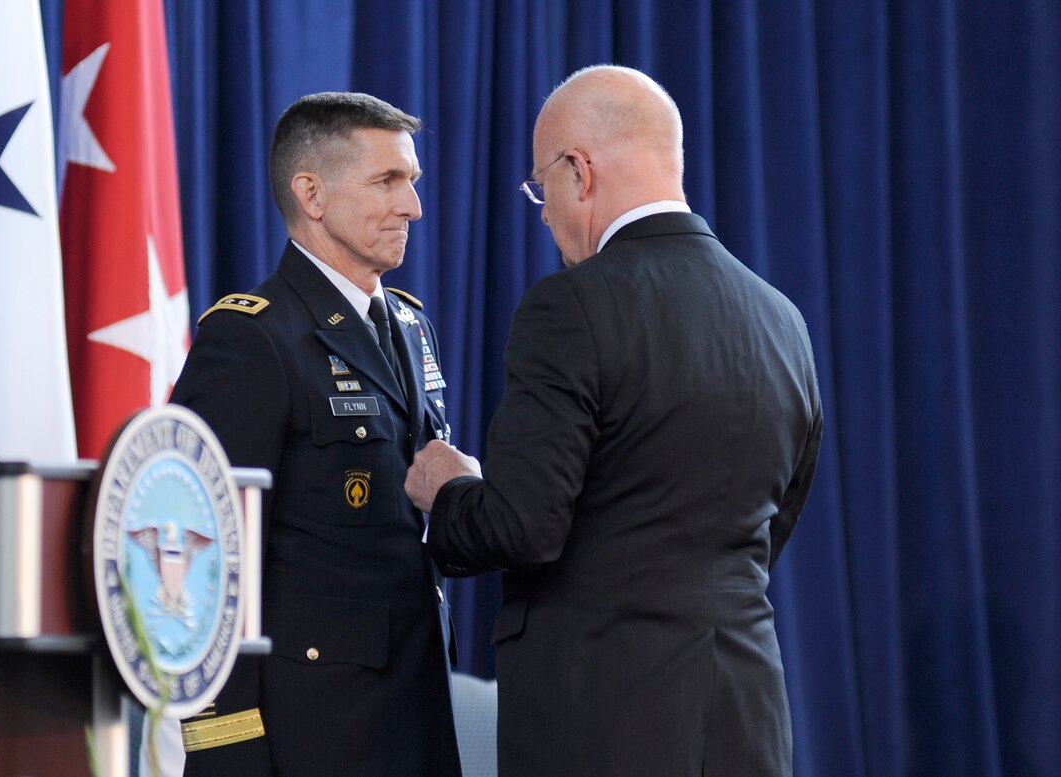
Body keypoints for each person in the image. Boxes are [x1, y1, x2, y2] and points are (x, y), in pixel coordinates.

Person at [405, 65, 823, 777]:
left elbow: (523, 526)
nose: (542, 213)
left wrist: (449, 490)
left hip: (604, 720)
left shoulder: (571, 306)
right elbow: (770, 520)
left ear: (580, 169)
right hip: (746, 719)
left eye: (542, 187)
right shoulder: (780, 318)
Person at [170, 92, 462, 777]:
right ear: (312, 193)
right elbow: (203, 554)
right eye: (387, 181)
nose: (413, 206)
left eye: (412, 181)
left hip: (414, 715)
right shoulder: (252, 338)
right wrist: (227, 747)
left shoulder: (413, 327)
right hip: (308, 735)